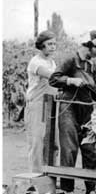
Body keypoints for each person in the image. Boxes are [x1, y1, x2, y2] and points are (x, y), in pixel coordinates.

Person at [49, 30, 96, 194]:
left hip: (86, 108)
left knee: (89, 149)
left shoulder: (92, 65)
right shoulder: (71, 60)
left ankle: (91, 190)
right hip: (69, 107)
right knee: (69, 148)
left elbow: (92, 89)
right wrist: (70, 81)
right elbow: (53, 79)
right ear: (90, 46)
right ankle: (67, 189)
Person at [25, 30, 57, 173]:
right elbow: (52, 76)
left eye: (54, 44)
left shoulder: (51, 61)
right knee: (37, 141)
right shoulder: (36, 62)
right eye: (49, 44)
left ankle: (49, 174)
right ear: (41, 45)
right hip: (37, 104)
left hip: (50, 104)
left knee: (52, 142)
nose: (52, 47)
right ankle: (36, 175)